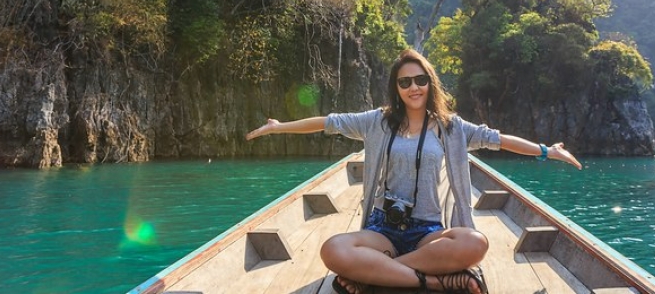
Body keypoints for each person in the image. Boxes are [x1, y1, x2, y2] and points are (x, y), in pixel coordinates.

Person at [245, 49, 582, 294]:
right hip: (383, 229)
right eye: (405, 82)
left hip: (427, 232)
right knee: (332, 250)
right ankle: (434, 281)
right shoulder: (377, 121)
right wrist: (278, 127)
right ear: (397, 87)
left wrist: (545, 151)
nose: (413, 87)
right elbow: (327, 123)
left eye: (420, 79)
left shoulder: (452, 128)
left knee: (474, 243)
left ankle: (373, 275)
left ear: (430, 83)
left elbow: (499, 140)